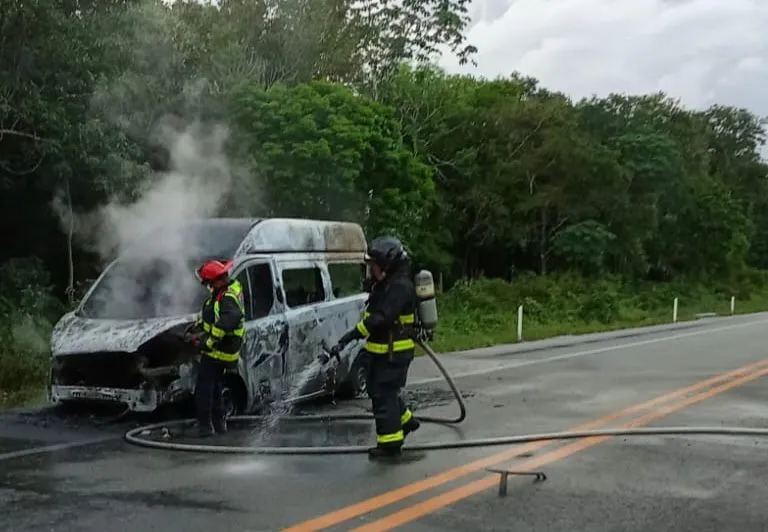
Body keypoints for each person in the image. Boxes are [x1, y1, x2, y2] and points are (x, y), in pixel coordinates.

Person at [328, 235, 421, 460]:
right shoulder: (386, 284)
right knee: (379, 389)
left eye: (374, 265)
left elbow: (382, 318)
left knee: (383, 394)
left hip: (394, 352)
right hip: (381, 351)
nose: (372, 270)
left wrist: (351, 335)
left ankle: (390, 444)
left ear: (387, 264)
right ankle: (406, 421)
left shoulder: (400, 287)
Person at [191, 259, 246, 437]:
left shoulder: (227, 297)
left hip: (219, 351)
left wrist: (209, 341)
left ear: (216, 281)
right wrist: (196, 329)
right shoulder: (222, 294)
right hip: (222, 351)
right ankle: (218, 424)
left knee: (204, 389)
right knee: (214, 387)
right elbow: (213, 315)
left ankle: (205, 427)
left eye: (208, 282)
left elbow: (230, 318)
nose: (207, 286)